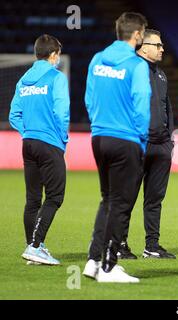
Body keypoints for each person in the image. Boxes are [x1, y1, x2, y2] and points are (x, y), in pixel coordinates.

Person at [82, 12, 151, 283]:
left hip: (99, 137)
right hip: (126, 139)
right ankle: (109, 267)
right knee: (122, 204)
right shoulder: (136, 64)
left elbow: (89, 97)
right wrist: (141, 139)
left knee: (108, 200)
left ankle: (93, 260)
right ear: (137, 35)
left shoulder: (97, 59)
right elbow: (141, 104)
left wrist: (99, 124)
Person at [9, 34, 69, 266]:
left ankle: (33, 247)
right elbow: (61, 111)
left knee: (33, 199)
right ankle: (35, 246)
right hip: (50, 143)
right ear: (54, 55)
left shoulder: (23, 80)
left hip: (29, 143)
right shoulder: (56, 77)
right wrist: (61, 139)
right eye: (58, 54)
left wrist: (27, 132)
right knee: (55, 196)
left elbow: (14, 115)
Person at [119, 29, 176, 260]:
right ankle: (120, 244)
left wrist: (169, 140)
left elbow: (167, 108)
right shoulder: (129, 71)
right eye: (158, 45)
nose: (162, 49)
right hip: (137, 145)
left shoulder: (161, 75)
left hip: (161, 146)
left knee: (155, 199)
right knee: (127, 197)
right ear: (143, 47)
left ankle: (152, 246)